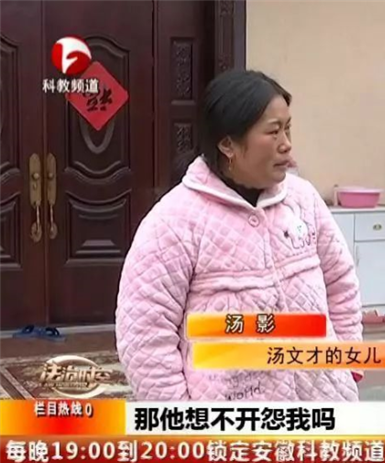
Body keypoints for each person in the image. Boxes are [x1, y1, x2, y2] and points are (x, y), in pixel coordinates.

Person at [115, 69, 364, 401]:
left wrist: (347, 366)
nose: (286, 144)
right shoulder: (174, 221)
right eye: (273, 132)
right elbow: (144, 335)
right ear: (227, 144)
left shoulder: (304, 200)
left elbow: (341, 282)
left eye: (288, 128)